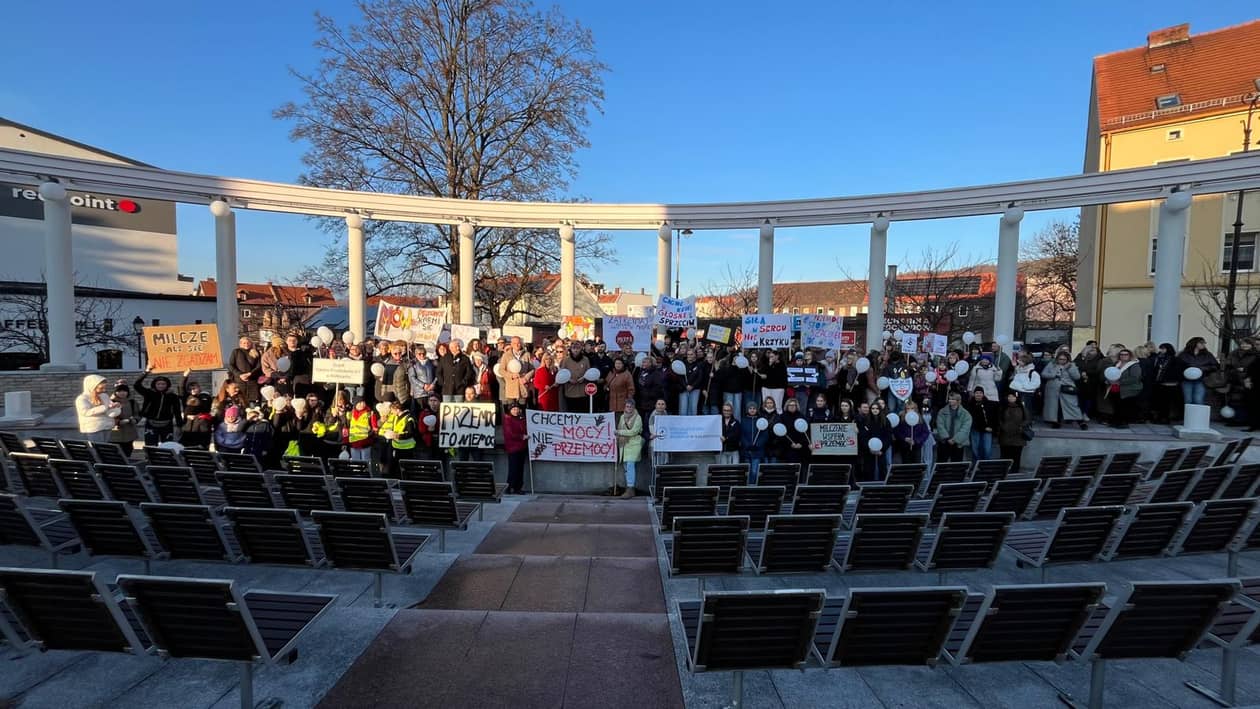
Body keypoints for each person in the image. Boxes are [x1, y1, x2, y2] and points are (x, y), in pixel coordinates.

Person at [134, 366, 184, 445]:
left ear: (167, 385)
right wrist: (146, 372)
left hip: (167, 424)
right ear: (154, 384)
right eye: (158, 384)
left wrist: (179, 425)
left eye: (163, 384)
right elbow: (136, 385)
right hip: (151, 424)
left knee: (167, 446)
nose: (161, 386)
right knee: (151, 446)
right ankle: (150, 457)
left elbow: (177, 411)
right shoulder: (149, 393)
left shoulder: (173, 396)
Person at [1041, 351, 1087, 430]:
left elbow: (1077, 377)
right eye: (1060, 359)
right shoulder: (1051, 364)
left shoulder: (1072, 365)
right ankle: (1056, 422)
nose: (1062, 361)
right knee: (1055, 407)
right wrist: (1054, 374)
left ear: (1067, 359)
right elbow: (1043, 374)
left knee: (1073, 405)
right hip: (1053, 389)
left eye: (1064, 359)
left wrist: (1069, 368)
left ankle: (1081, 422)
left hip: (1067, 388)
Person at [1178, 337, 1220, 411]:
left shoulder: (1207, 355)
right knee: (1188, 400)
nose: (1204, 344)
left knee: (1198, 400)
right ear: (1195, 343)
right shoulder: (1183, 354)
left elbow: (1215, 366)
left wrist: (1202, 369)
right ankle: (1188, 419)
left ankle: (1198, 419)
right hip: (1186, 380)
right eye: (1201, 343)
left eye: (1204, 343)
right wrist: (1187, 369)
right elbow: (1177, 366)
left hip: (1201, 380)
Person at [76, 374, 121, 442]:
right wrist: (106, 407)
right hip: (93, 427)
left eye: (104, 387)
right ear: (92, 386)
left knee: (105, 447)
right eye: (101, 388)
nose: (103, 390)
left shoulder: (104, 395)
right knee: (97, 449)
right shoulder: (82, 398)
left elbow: (110, 405)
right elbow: (85, 412)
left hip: (106, 425)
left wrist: (116, 405)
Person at [379, 398, 417, 477]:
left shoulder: (409, 419)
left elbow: (410, 433)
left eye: (392, 410)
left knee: (405, 469)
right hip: (396, 446)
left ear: (397, 409)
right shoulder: (396, 417)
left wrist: (398, 436)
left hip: (407, 448)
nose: (391, 412)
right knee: (396, 468)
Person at [933, 392, 972, 463]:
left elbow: (965, 430)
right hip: (944, 442)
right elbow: (940, 426)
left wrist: (955, 440)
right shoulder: (942, 411)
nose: (950, 401)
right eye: (949, 399)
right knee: (941, 465)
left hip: (958, 443)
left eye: (953, 399)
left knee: (957, 466)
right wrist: (947, 438)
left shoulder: (966, 414)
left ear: (959, 401)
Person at [617, 398, 644, 497]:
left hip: (634, 444)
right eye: (627, 406)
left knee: (630, 464)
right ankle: (628, 487)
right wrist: (619, 434)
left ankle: (630, 488)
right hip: (624, 444)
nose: (629, 408)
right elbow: (620, 427)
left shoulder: (638, 418)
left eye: (631, 406)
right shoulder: (622, 417)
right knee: (626, 466)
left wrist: (620, 432)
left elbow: (634, 431)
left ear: (634, 407)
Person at [180, 371, 214, 449]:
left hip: (201, 425)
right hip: (188, 426)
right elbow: (181, 387)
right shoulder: (186, 397)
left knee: (202, 447)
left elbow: (207, 409)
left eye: (195, 388)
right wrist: (185, 376)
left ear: (199, 388)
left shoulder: (205, 397)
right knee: (188, 446)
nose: (193, 390)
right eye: (190, 389)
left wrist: (197, 416)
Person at [1111, 348, 1143, 429]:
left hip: (1129, 389)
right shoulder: (1117, 363)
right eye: (1121, 354)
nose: (1123, 356)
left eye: (1126, 354)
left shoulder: (1134, 365)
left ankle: (1123, 423)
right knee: (1117, 405)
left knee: (1125, 407)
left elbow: (1134, 378)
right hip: (1117, 388)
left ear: (1130, 356)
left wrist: (1120, 382)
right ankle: (1116, 421)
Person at [997, 391, 1029, 471]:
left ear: (1016, 398)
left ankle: (1015, 471)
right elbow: (999, 419)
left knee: (1016, 456)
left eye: (1013, 397)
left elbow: (1027, 419)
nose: (1011, 398)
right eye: (1009, 396)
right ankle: (1003, 471)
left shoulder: (1022, 407)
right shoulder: (1003, 407)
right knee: (1005, 455)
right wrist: (1003, 427)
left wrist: (1021, 426)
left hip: (1018, 436)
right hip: (1005, 436)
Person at [892, 400, 931, 464]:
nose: (910, 410)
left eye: (912, 408)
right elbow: (897, 432)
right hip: (905, 446)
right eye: (908, 408)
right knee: (906, 464)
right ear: (905, 409)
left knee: (916, 464)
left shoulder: (920, 418)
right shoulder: (901, 419)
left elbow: (925, 432)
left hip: (917, 446)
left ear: (915, 409)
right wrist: (904, 438)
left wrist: (916, 440)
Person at [503, 402, 529, 494]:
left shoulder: (522, 419)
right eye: (513, 409)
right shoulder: (508, 419)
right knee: (513, 468)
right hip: (513, 448)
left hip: (521, 447)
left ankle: (518, 487)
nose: (515, 411)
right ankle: (509, 487)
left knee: (520, 468)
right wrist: (522, 437)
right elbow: (510, 434)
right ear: (510, 410)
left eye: (517, 409)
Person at [964, 388, 996, 461]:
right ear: (974, 394)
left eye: (980, 393)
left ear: (983, 394)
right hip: (975, 429)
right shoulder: (970, 404)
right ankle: (976, 466)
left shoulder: (989, 404)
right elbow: (972, 419)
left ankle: (985, 466)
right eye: (977, 393)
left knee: (987, 449)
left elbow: (993, 417)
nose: (978, 394)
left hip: (988, 430)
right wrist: (984, 427)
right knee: (975, 449)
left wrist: (992, 427)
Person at [228, 336, 262, 404]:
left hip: (252, 382)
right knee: (241, 402)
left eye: (248, 342)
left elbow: (259, 366)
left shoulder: (256, 352)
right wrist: (239, 374)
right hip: (239, 382)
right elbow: (231, 365)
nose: (246, 344)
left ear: (251, 343)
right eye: (244, 343)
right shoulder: (236, 352)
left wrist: (250, 373)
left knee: (253, 404)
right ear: (240, 344)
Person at [108, 383, 139, 456]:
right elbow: (107, 417)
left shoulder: (132, 402)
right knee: (115, 454)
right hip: (115, 434)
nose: (122, 393)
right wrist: (118, 422)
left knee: (128, 451)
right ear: (115, 392)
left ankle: (127, 466)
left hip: (129, 432)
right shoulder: (111, 402)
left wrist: (135, 420)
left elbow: (137, 414)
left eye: (124, 391)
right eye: (119, 391)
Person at [740, 401, 767, 482]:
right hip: (747, 451)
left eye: (754, 408)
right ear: (747, 410)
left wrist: (757, 445)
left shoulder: (761, 420)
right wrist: (747, 444)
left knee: (755, 471)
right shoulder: (743, 420)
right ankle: (747, 488)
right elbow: (741, 435)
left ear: (756, 410)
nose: (752, 410)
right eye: (750, 408)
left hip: (757, 451)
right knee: (747, 472)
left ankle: (753, 487)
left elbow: (764, 435)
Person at [559, 343, 591, 412]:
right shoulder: (566, 360)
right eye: (574, 348)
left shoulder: (586, 360)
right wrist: (569, 380)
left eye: (578, 348)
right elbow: (562, 374)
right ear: (571, 350)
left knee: (582, 413)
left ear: (581, 349)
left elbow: (589, 373)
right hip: (570, 392)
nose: (576, 350)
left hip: (582, 392)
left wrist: (584, 378)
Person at [346, 397, 378, 461]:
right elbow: (347, 427)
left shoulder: (370, 413)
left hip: (365, 442)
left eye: (363, 402)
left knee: (366, 461)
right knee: (356, 462)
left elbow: (374, 427)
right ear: (355, 404)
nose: (362, 404)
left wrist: (370, 434)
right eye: (359, 403)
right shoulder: (350, 414)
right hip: (354, 442)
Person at [780, 397, 810, 465]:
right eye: (790, 405)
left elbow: (806, 432)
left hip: (801, 447)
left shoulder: (802, 416)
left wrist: (801, 443)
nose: (792, 407)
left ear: (797, 406)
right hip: (788, 447)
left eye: (794, 405)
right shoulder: (782, 417)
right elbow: (781, 433)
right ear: (787, 406)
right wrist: (790, 444)